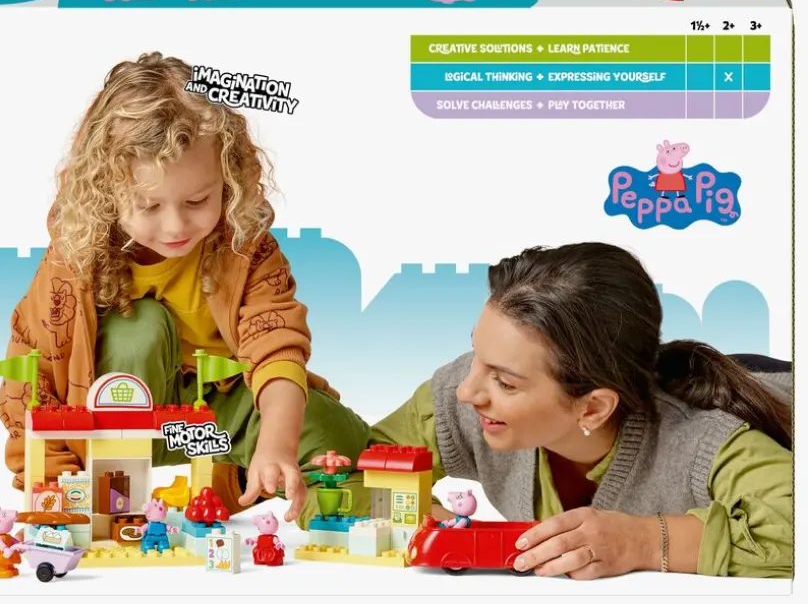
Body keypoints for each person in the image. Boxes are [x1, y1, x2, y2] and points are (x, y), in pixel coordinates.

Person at [0, 52, 369, 521]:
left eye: (197, 200)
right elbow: (32, 373)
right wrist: (53, 485)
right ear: (108, 192)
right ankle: (116, 490)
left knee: (333, 433)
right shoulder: (75, 257)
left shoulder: (243, 245)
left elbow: (276, 343)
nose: (175, 226)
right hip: (118, 418)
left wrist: (276, 444)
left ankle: (240, 477)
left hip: (211, 417)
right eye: (149, 206)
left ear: (228, 180)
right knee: (138, 328)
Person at [327, 243, 792, 579]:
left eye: (505, 382)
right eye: (476, 357)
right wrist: (439, 526)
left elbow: (792, 527)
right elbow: (352, 470)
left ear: (593, 408)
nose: (467, 392)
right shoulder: (462, 396)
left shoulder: (705, 440)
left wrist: (643, 542)